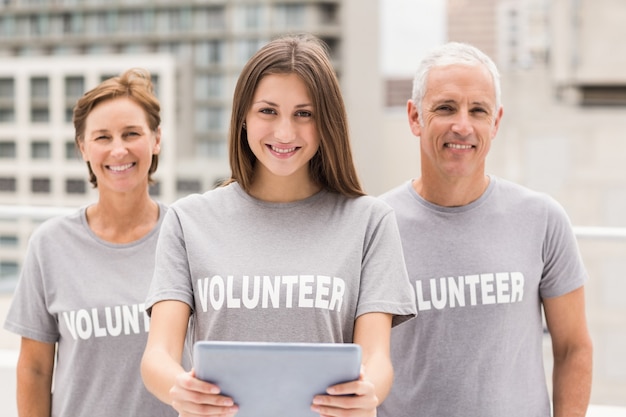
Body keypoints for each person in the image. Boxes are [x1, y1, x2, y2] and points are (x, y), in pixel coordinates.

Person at [141, 33, 416, 417]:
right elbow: (158, 354)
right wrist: (180, 389)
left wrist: (366, 392)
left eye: (304, 114)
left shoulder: (369, 222)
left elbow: (376, 358)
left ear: (326, 123)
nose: (285, 133)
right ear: (243, 119)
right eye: (268, 111)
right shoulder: (189, 221)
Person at [377, 42, 593, 417]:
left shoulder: (542, 218)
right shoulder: (375, 225)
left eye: (478, 110)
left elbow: (574, 347)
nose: (463, 125)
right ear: (415, 117)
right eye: (445, 108)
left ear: (495, 122)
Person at [3, 68, 176, 417]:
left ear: (156, 139)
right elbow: (34, 369)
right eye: (102, 137)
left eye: (131, 134)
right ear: (83, 147)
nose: (118, 149)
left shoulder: (185, 236)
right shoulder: (50, 244)